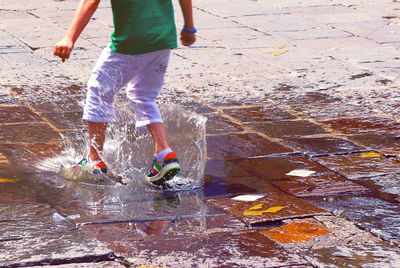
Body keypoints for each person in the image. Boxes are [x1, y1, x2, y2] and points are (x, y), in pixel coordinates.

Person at [53, 0, 196, 185]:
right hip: (162, 39)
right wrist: (189, 28)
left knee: (99, 90)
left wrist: (69, 38)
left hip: (131, 40)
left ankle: (94, 160)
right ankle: (164, 155)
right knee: (143, 95)